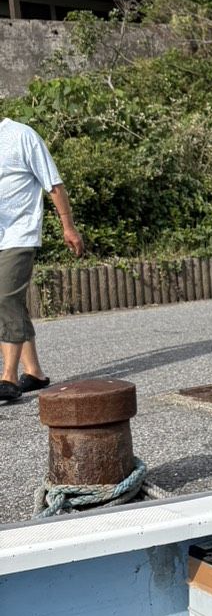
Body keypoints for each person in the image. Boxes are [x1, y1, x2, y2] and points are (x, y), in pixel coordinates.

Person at [0, 115, 84, 403]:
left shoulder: (21, 135)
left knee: (5, 298)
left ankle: (8, 377)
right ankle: (34, 372)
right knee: (11, 301)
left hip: (19, 235)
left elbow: (53, 183)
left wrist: (68, 226)